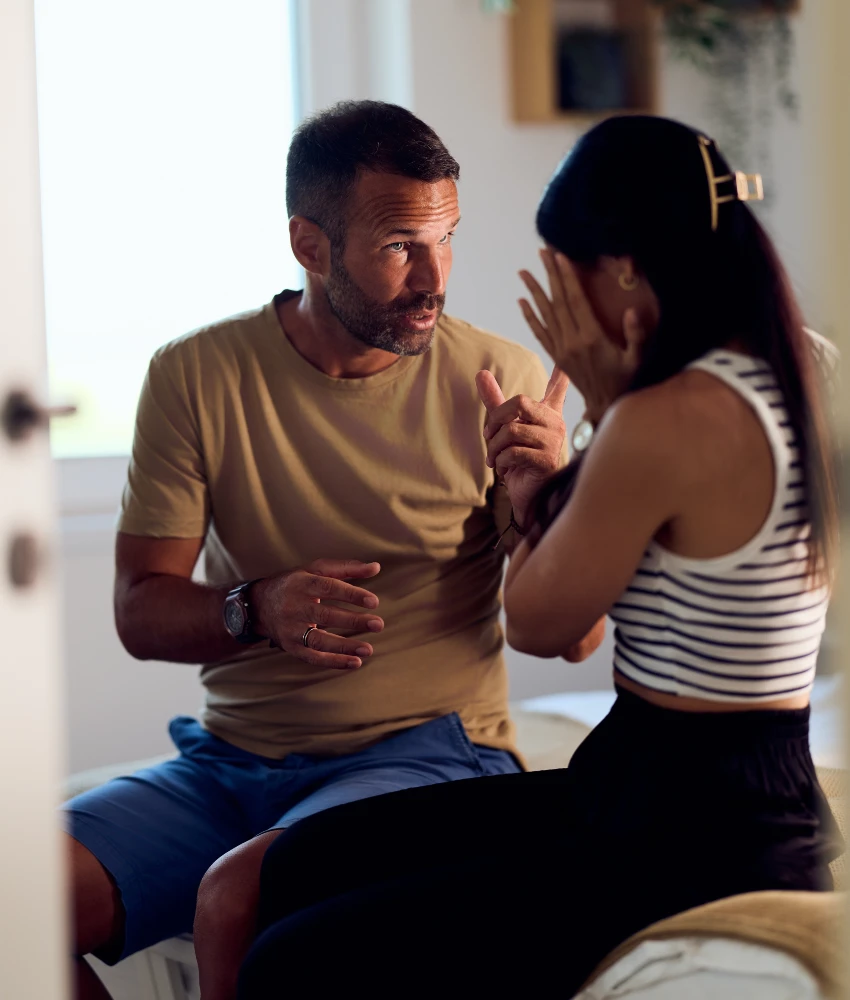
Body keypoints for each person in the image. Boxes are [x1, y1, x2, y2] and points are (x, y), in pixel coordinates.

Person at [233, 115, 844, 998]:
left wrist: (564, 453)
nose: (557, 309)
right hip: (713, 791)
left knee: (290, 960)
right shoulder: (807, 366)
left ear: (622, 269)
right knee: (293, 870)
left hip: (684, 828)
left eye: (561, 275)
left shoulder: (662, 416)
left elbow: (542, 622)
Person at [64, 100, 570, 1000]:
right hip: (228, 760)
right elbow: (142, 610)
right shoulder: (195, 375)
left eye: (447, 238)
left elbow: (570, 640)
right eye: (400, 246)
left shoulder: (503, 383)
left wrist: (549, 499)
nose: (434, 276)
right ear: (309, 244)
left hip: (429, 752)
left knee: (242, 899)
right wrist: (253, 608)